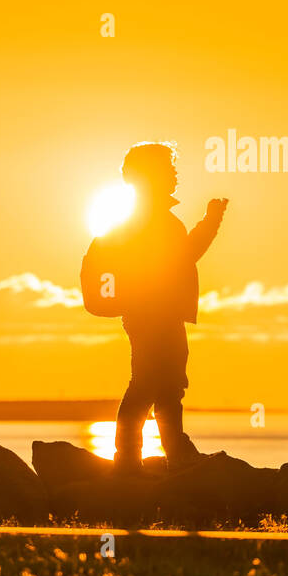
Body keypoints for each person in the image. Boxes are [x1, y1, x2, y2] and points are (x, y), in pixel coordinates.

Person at [103, 142, 227, 473]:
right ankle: (132, 462)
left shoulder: (152, 219)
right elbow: (181, 258)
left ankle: (171, 455)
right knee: (148, 386)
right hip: (153, 315)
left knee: (166, 386)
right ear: (151, 176)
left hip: (159, 313)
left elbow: (178, 258)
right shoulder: (150, 221)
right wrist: (211, 222)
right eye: (168, 169)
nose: (175, 175)